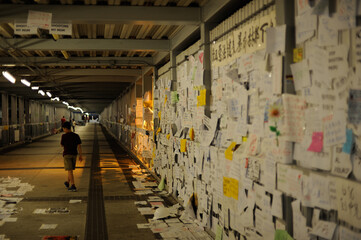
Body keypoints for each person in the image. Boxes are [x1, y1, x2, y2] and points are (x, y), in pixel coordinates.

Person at [60, 121, 83, 191]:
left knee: (69, 170)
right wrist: (80, 155)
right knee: (70, 170)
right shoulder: (76, 136)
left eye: (63, 129)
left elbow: (61, 145)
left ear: (65, 128)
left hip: (67, 155)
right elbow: (79, 146)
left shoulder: (64, 136)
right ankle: (67, 182)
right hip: (74, 154)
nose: (63, 130)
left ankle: (73, 185)